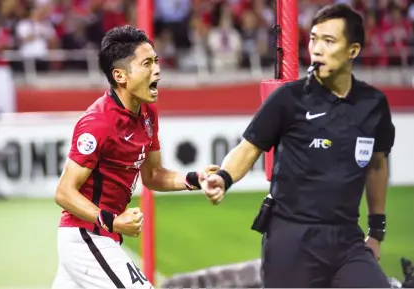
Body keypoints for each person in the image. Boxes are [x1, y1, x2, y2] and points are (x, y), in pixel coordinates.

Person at [201, 3, 395, 288]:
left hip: (347, 240)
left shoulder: (373, 105)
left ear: (353, 50)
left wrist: (376, 231)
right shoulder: (289, 99)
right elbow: (248, 148)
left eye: (329, 41)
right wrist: (224, 177)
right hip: (290, 239)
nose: (317, 48)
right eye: (314, 38)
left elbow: (378, 165)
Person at [52, 25, 218, 289]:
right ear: (120, 75)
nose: (157, 70)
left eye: (156, 61)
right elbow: (64, 192)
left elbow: (153, 175)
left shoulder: (148, 114)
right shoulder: (98, 123)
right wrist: (113, 221)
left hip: (100, 237)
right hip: (86, 237)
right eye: (147, 64)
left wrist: (196, 179)